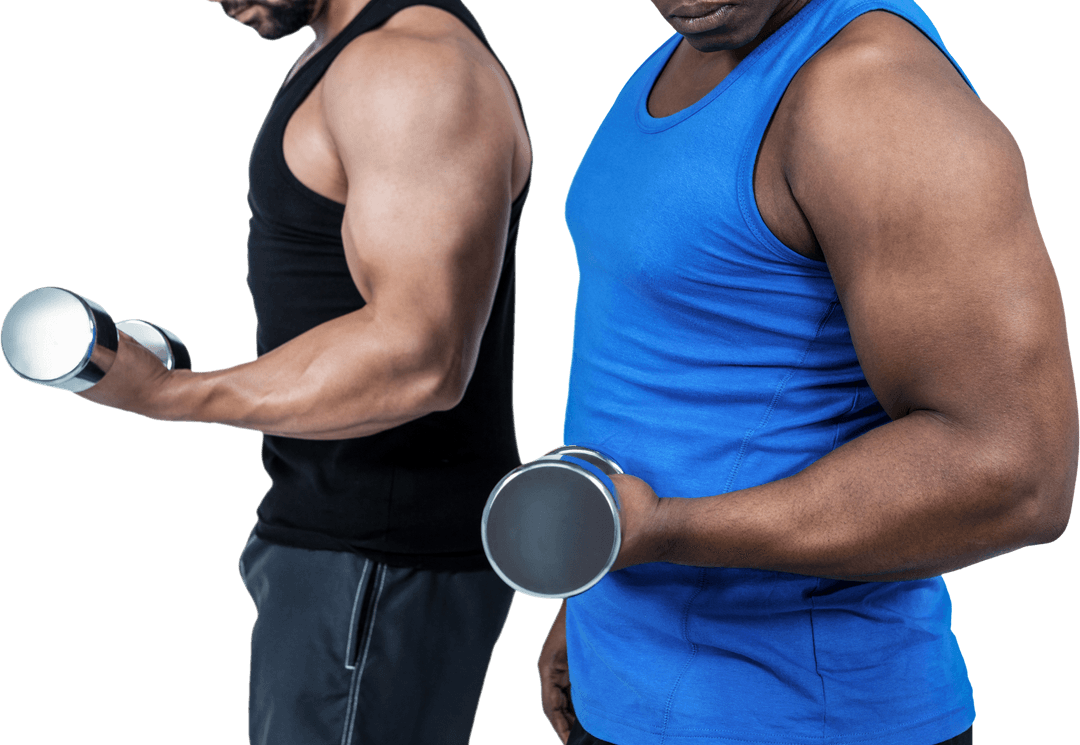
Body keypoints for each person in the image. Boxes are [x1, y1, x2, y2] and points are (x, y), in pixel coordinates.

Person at [537, 1, 1077, 744]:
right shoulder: (696, 46)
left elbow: (1016, 475)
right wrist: (598, 600)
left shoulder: (873, 95)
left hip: (801, 718)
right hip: (628, 690)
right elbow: (683, 366)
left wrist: (663, 532)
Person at [75, 0, 532, 743]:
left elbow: (423, 358)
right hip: (337, 544)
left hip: (380, 558)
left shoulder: (410, 67)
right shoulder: (346, 55)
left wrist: (171, 395)